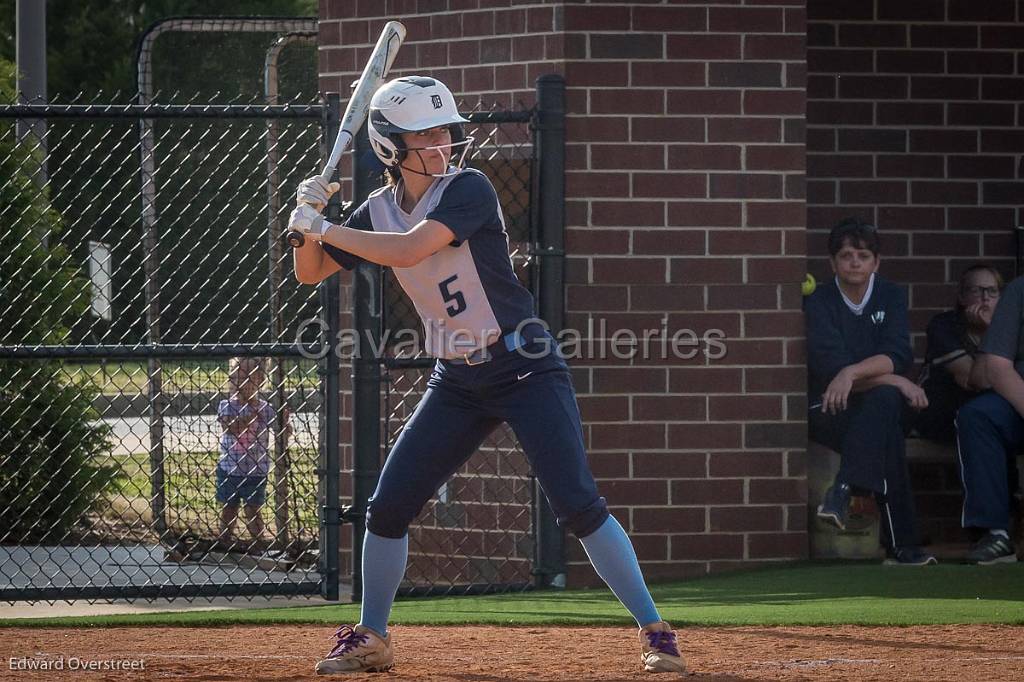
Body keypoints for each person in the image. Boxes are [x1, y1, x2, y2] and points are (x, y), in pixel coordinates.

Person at [287, 75, 685, 676]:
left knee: (578, 505)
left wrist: (324, 226)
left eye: (446, 131)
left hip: (523, 365)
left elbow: (409, 251)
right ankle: (372, 635)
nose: (443, 143)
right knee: (388, 506)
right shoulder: (375, 208)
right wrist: (301, 222)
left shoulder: (467, 188)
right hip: (456, 381)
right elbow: (311, 272)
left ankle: (657, 635)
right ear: (390, 144)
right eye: (426, 134)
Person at [804, 217, 936, 566]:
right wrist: (894, 379)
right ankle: (903, 546)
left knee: (882, 407)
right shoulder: (819, 300)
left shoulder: (890, 295)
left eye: (862, 255)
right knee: (885, 422)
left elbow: (897, 355)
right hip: (832, 409)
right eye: (846, 255)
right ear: (832, 263)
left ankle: (843, 490)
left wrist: (853, 372)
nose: (855, 262)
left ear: (876, 262)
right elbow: (830, 370)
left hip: (872, 406)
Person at [955, 273, 1024, 564]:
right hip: (1020, 396)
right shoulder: (1020, 289)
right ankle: (995, 533)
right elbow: (997, 367)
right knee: (977, 416)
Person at [914, 264, 1004, 443]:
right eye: (976, 290)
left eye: (992, 291)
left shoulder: (1010, 330)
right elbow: (976, 382)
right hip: (940, 415)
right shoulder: (944, 326)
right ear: (962, 297)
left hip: (985, 417)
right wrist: (990, 333)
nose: (985, 298)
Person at [215, 357, 290, 547]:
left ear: (260, 382)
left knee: (253, 510)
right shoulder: (227, 405)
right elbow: (229, 427)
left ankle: (259, 543)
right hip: (229, 469)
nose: (238, 384)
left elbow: (282, 434)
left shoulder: (266, 409)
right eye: (234, 379)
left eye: (245, 379)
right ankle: (224, 540)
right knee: (228, 508)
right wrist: (249, 417)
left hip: (256, 471)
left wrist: (285, 423)